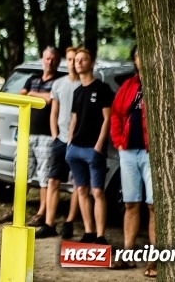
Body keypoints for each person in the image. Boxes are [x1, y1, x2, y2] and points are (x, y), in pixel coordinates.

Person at [0, 47, 61, 225]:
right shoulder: (32, 79)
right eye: (47, 58)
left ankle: (41, 213)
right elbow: (22, 95)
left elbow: (50, 99)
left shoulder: (59, 82)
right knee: (21, 174)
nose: (49, 62)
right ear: (42, 59)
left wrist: (32, 94)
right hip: (26, 133)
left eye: (53, 59)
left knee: (44, 176)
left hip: (46, 135)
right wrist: (37, 96)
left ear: (57, 61)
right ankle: (16, 210)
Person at [109, 45, 156, 275]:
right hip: (128, 152)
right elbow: (116, 114)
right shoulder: (129, 85)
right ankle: (128, 256)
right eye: (138, 56)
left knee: (154, 206)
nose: (142, 59)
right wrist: (118, 141)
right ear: (135, 61)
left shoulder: (160, 84)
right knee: (130, 204)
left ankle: (155, 260)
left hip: (151, 154)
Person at [65, 48, 114, 245]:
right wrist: (69, 143)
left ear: (91, 63)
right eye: (76, 60)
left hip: (93, 150)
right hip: (75, 149)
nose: (79, 63)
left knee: (98, 192)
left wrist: (98, 146)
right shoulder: (77, 91)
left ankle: (101, 236)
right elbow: (74, 119)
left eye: (83, 59)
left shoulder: (102, 89)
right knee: (81, 190)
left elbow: (107, 118)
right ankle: (89, 232)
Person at [35, 46, 81, 239]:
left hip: (79, 141)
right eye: (69, 59)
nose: (73, 63)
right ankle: (49, 223)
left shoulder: (85, 84)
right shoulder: (59, 84)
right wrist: (55, 136)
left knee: (77, 184)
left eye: (75, 60)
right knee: (53, 180)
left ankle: (69, 222)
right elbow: (54, 112)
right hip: (60, 140)